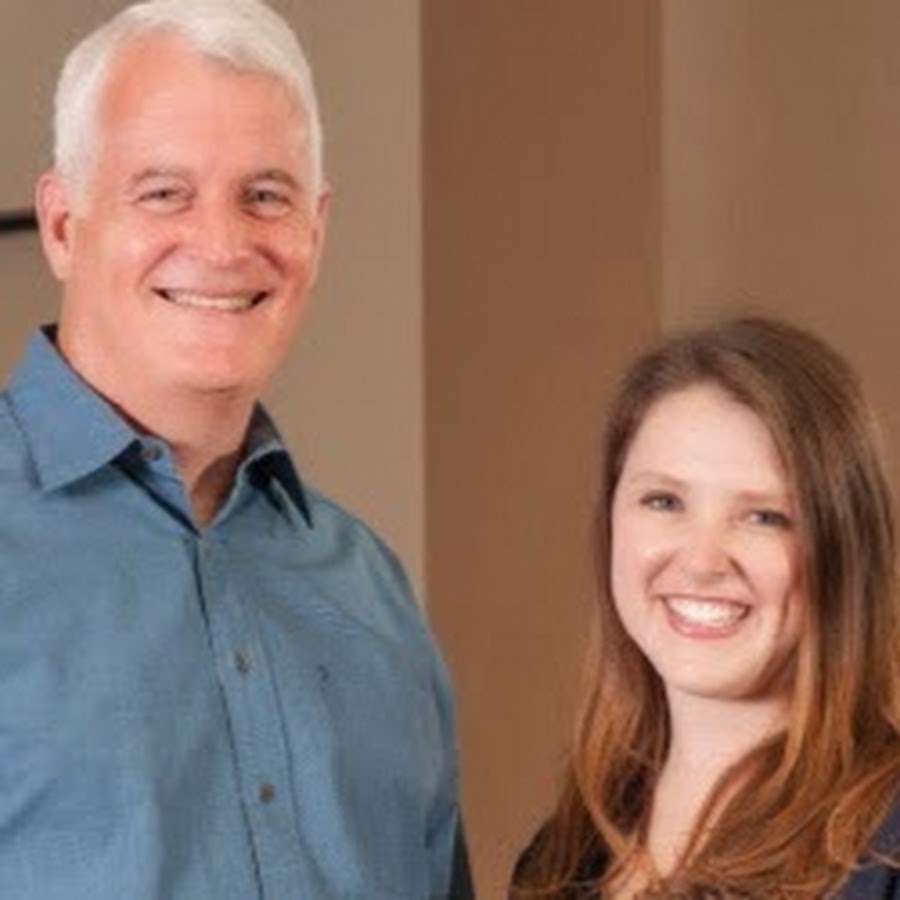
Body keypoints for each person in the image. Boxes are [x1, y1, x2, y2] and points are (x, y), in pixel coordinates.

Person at [0, 1, 472, 897]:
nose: (221, 244)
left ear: (315, 231)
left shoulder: (371, 591)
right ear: (62, 225)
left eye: (265, 196)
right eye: (163, 192)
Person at [511, 317, 900, 897]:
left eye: (765, 516)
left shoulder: (886, 849)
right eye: (664, 501)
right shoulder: (560, 858)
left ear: (844, 547)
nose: (701, 561)